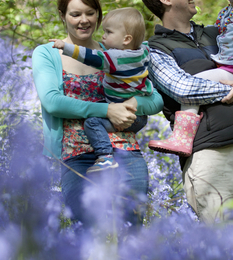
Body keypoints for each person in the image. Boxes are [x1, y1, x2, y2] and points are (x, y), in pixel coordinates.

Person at [32, 0, 163, 227]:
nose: (84, 20)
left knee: (131, 227)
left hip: (124, 150)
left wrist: (133, 103)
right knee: (87, 227)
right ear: (63, 16)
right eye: (75, 14)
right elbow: (52, 102)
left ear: (98, 16)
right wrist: (108, 109)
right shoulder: (48, 52)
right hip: (77, 156)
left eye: (90, 13)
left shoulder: (115, 52)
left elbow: (156, 100)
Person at [142, 0, 233, 223]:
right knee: (222, 242)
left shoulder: (220, 32)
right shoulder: (154, 49)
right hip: (210, 153)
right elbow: (183, 89)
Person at [49, 7, 154, 174]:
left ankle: (105, 157)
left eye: (109, 32)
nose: (103, 36)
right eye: (76, 13)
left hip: (126, 118)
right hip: (139, 117)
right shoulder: (143, 51)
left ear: (126, 39)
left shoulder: (114, 58)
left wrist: (66, 47)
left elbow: (89, 56)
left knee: (92, 122)